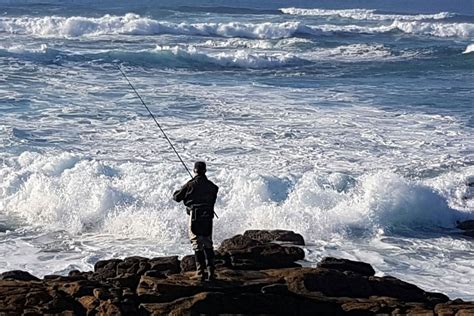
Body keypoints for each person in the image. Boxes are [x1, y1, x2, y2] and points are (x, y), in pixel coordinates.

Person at [173, 161, 219, 281]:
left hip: (195, 216)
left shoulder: (191, 185)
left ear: (194, 170)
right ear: (205, 171)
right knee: (208, 243)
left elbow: (177, 197)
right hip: (208, 216)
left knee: (196, 243)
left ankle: (200, 273)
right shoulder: (211, 186)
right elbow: (214, 192)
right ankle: (211, 272)